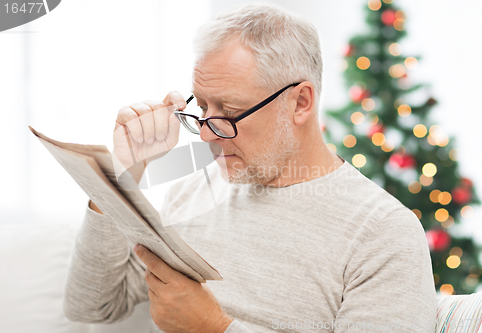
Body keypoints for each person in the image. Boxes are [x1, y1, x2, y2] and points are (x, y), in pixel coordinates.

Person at [63, 3, 437, 332]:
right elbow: (92, 306)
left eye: (229, 111)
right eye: (203, 107)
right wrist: (122, 175)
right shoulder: (192, 192)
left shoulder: (383, 233)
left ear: (301, 102)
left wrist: (213, 328)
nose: (207, 135)